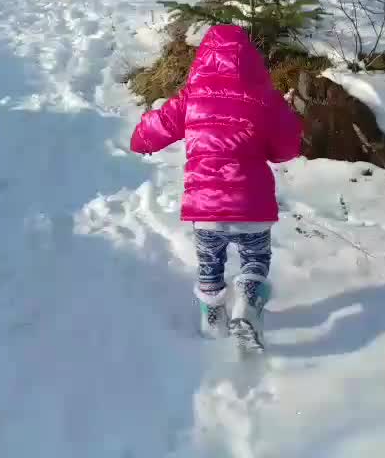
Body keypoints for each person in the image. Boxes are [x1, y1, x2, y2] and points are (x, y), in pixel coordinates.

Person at [130, 24, 303, 349]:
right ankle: (249, 296)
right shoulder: (265, 98)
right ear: (250, 59)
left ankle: (212, 320)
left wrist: (140, 140)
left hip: (206, 209)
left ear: (203, 59)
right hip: (252, 207)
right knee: (255, 257)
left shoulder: (191, 98)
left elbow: (160, 125)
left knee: (210, 264)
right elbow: (288, 145)